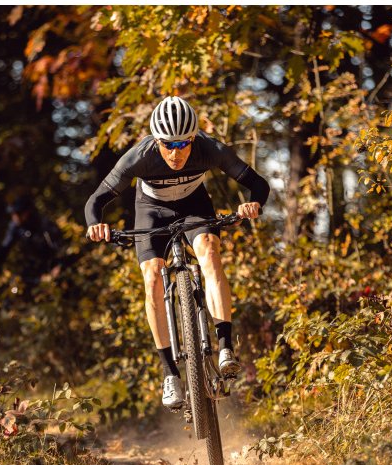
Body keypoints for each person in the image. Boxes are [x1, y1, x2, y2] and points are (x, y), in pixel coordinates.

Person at [84, 96, 269, 409]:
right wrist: (95, 225)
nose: (176, 152)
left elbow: (258, 184)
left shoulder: (210, 149)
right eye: (168, 145)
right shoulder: (138, 157)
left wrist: (253, 204)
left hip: (194, 206)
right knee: (152, 277)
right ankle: (170, 373)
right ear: (156, 141)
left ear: (193, 138)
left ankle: (225, 346)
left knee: (210, 252)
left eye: (183, 144)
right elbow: (96, 201)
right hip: (151, 210)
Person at [0, 196, 65, 285]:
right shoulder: (15, 226)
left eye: (18, 214)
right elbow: (6, 246)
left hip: (52, 258)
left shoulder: (42, 223)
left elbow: (59, 246)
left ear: (26, 212)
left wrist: (58, 265)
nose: (15, 218)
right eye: (13, 214)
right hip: (34, 263)